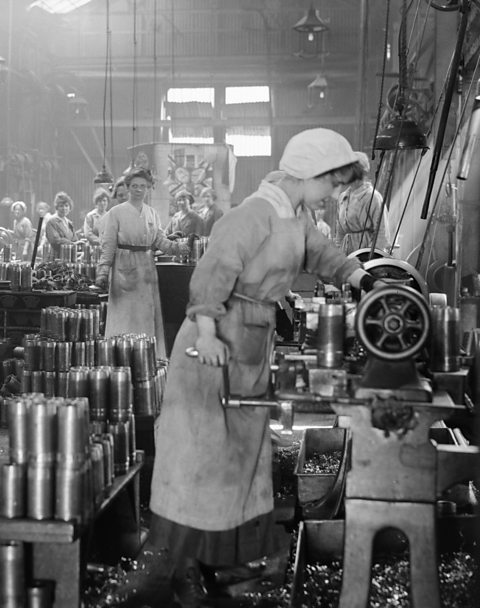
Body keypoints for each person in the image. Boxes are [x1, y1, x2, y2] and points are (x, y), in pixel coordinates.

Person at [111, 129, 385, 608]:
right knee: (201, 457)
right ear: (307, 175)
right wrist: (211, 336)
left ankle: (220, 559)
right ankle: (181, 570)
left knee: (239, 458)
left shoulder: (296, 215)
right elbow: (211, 274)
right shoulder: (254, 214)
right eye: (333, 183)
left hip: (253, 341)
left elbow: (322, 254)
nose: (335, 193)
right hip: (213, 344)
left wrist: (363, 276)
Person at [95, 167, 191, 359]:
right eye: (135, 186)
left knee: (145, 320)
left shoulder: (152, 214)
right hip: (123, 273)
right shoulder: (116, 213)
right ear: (128, 187)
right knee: (124, 319)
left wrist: (181, 247)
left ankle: (146, 361)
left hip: (146, 273)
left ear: (148, 188)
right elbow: (108, 245)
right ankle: (120, 362)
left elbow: (161, 242)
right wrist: (103, 272)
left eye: (143, 186)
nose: (139, 190)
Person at [336, 151, 390, 255]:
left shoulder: (373, 197)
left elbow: (382, 233)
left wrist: (371, 257)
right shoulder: (343, 197)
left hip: (367, 254)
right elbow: (340, 232)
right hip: (347, 254)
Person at [45, 191, 77, 261]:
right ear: (56, 207)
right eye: (61, 206)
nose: (64, 208)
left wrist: (79, 243)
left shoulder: (69, 223)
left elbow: (75, 239)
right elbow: (56, 241)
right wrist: (73, 243)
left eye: (66, 206)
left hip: (69, 258)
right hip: (56, 258)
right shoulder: (51, 222)